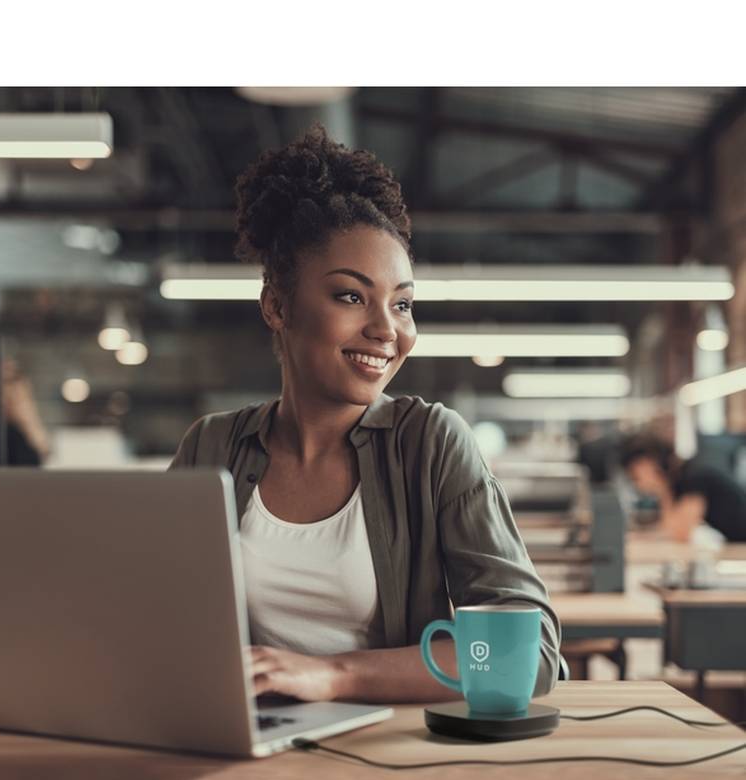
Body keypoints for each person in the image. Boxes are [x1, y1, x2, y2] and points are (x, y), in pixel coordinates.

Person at [169, 124, 560, 704]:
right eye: (351, 296)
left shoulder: (429, 443)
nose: (387, 330)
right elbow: (152, 619)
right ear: (277, 305)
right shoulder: (212, 447)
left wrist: (335, 675)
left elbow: (528, 655)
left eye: (401, 304)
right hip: (247, 745)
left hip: (386, 752)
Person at [620, 432, 746, 543]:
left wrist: (661, 490)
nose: (637, 485)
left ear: (649, 464)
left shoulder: (694, 476)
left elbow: (680, 533)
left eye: (636, 476)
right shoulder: (681, 480)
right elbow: (669, 529)